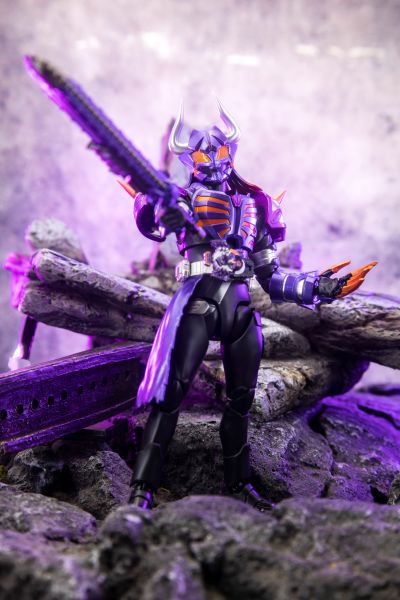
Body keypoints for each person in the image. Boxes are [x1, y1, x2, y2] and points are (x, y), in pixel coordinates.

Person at [122, 102, 376, 511]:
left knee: (241, 403)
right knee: (170, 397)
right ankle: (142, 490)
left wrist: (321, 287)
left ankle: (239, 484)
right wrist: (156, 203)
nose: (213, 159)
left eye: (221, 150)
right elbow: (152, 221)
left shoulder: (255, 205)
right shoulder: (181, 201)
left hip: (239, 309)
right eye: (203, 154)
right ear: (189, 160)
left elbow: (272, 277)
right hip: (197, 301)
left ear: (231, 153)